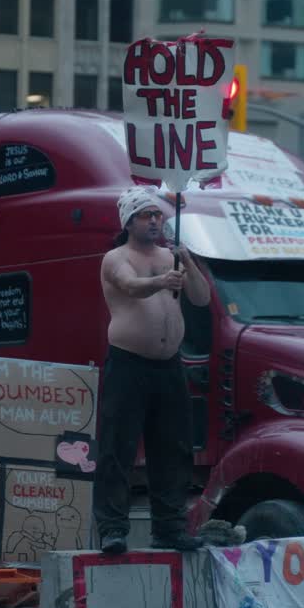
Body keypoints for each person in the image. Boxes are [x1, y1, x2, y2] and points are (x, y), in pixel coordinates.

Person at [93, 186, 211, 555]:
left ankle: (170, 527)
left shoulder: (170, 256)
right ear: (129, 222)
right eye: (146, 216)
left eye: (158, 215)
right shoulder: (116, 257)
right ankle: (113, 528)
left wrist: (188, 264)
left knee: (173, 448)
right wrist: (162, 281)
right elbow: (131, 287)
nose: (155, 221)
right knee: (118, 447)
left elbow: (201, 298)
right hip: (129, 363)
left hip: (168, 366)